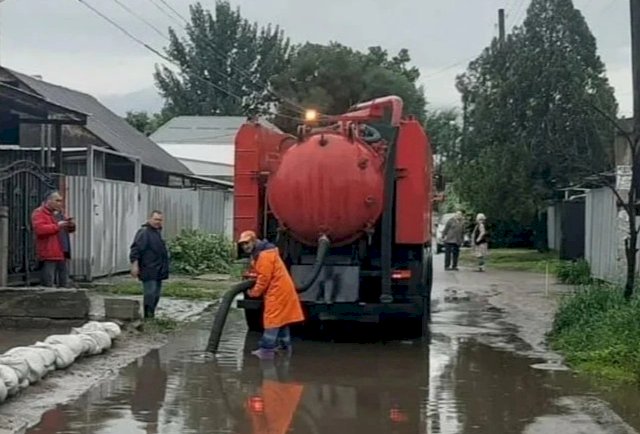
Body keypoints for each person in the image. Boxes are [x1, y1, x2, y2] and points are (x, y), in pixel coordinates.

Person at [238, 230, 304, 359]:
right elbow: (263, 273)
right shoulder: (263, 253)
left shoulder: (264, 255)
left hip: (277, 292)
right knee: (283, 319)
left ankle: (267, 349)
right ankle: (285, 346)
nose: (245, 246)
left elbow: (264, 279)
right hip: (283, 290)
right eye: (242, 244)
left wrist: (254, 292)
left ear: (254, 241)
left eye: (247, 243)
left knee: (272, 320)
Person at [129, 210, 169, 319]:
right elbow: (135, 249)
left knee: (156, 295)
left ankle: (151, 315)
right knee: (150, 294)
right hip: (148, 269)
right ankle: (148, 317)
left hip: (158, 269)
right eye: (156, 219)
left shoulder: (157, 232)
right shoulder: (144, 232)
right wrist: (134, 265)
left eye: (160, 220)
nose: (158, 222)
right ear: (150, 219)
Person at [32, 191, 74, 287]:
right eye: (57, 200)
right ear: (49, 201)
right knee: (48, 280)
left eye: (61, 201)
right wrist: (57, 226)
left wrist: (71, 225)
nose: (60, 203)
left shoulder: (59, 213)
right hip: (49, 252)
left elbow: (67, 230)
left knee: (64, 281)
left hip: (62, 250)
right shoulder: (39, 212)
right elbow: (40, 230)